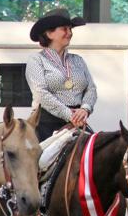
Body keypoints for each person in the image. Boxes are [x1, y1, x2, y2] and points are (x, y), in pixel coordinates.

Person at [25, 7, 96, 142]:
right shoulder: (36, 60)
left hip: (77, 122)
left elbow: (91, 89)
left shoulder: (78, 60)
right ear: (49, 34)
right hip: (45, 124)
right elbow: (41, 93)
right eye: (64, 29)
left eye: (70, 29)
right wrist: (70, 115)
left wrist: (85, 109)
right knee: (41, 161)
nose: (69, 33)